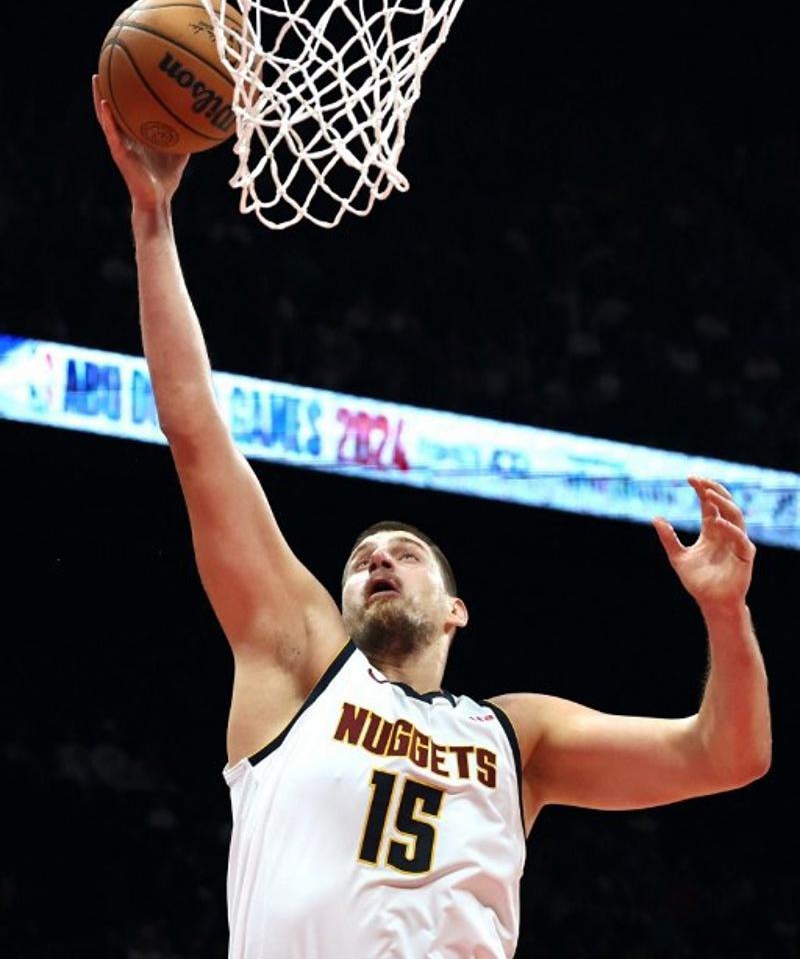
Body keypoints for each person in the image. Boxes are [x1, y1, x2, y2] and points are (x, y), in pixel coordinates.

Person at [93, 77, 771, 959]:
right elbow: (195, 432)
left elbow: (729, 756)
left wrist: (725, 614)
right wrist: (153, 221)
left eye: (405, 554)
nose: (377, 558)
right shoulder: (300, 664)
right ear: (335, 606)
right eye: (363, 557)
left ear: (456, 608)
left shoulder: (516, 735)